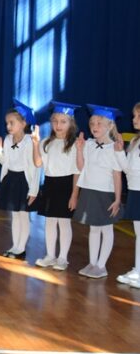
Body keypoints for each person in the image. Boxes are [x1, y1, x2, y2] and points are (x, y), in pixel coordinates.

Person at [70, 105, 124, 279]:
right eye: (92, 123)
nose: (94, 126)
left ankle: (102, 266)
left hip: (106, 194)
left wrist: (117, 199)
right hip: (89, 192)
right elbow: (81, 167)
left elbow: (117, 175)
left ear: (110, 126)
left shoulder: (114, 148)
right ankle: (92, 263)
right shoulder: (88, 144)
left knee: (106, 229)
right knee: (93, 229)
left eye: (99, 123)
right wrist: (79, 150)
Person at [31, 102, 80, 271]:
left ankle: (63, 258)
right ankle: (50, 255)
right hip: (50, 184)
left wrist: (74, 194)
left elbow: (77, 171)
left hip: (66, 185)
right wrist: (36, 144)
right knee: (50, 221)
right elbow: (38, 163)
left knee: (64, 222)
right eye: (55, 121)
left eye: (63, 122)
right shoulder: (46, 142)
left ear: (71, 123)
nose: (58, 125)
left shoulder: (74, 144)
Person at [0, 100, 38, 258]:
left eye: (12, 123)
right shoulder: (7, 139)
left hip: (24, 181)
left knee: (23, 215)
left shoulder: (29, 142)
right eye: (7, 123)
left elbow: (35, 167)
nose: (8, 126)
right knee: (15, 215)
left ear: (23, 123)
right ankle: (15, 246)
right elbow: (5, 162)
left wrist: (33, 190)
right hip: (11, 179)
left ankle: (21, 247)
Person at [115, 102, 140, 288]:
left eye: (139, 116)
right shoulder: (134, 142)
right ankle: (137, 269)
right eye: (134, 116)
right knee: (139, 234)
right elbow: (127, 169)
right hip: (135, 191)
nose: (134, 119)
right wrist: (119, 152)